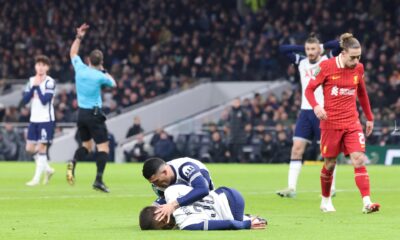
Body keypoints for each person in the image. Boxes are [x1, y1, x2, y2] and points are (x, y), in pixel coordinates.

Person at [305, 33, 380, 213]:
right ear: (343, 53)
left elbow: (362, 93)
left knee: (359, 159)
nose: (356, 61)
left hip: (352, 122)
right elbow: (309, 90)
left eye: (359, 57)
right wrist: (316, 107)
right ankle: (325, 200)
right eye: (353, 57)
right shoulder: (325, 66)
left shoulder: (359, 68)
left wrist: (369, 117)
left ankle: (367, 202)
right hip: (330, 124)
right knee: (330, 164)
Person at [276, 34, 341, 198]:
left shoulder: (327, 59)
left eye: (313, 49)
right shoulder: (301, 61)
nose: (311, 52)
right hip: (305, 112)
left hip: (323, 112)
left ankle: (331, 188)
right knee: (296, 149)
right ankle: (291, 188)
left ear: (319, 49)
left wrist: (322, 46)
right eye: (308, 49)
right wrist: (303, 48)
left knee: (327, 152)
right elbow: (282, 49)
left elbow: (340, 44)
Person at [67, 23, 116, 193]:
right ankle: (98, 180)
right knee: (103, 147)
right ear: (100, 62)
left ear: (88, 60)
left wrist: (79, 37)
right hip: (95, 115)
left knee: (86, 147)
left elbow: (73, 52)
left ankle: (73, 162)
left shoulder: (80, 68)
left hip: (81, 114)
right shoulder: (99, 76)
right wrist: (103, 70)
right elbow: (113, 83)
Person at [139, 184, 266, 230]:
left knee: (236, 222)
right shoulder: (171, 191)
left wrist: (246, 225)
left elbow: (229, 224)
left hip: (232, 211)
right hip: (225, 191)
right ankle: (247, 217)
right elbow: (198, 190)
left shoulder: (186, 224)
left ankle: (247, 218)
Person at [142, 157, 214, 221]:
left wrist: (173, 205)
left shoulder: (186, 168)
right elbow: (164, 200)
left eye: (156, 181)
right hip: (183, 195)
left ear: (165, 172)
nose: (156, 185)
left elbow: (203, 189)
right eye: (152, 183)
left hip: (205, 195)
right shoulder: (157, 183)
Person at [22, 55, 56, 186]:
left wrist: (36, 88)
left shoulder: (50, 82)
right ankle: (47, 169)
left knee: (42, 147)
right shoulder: (31, 80)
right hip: (33, 119)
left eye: (43, 65)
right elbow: (24, 100)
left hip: (46, 120)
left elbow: (44, 100)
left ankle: (36, 179)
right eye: (38, 65)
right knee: (29, 148)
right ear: (35, 66)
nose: (40, 67)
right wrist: (33, 87)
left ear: (47, 67)